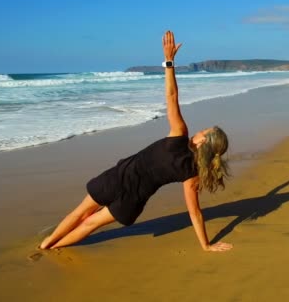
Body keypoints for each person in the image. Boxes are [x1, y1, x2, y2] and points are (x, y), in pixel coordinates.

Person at [39, 31, 233, 252]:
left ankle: (46, 244)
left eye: (202, 131)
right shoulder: (193, 173)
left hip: (118, 178)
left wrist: (169, 62)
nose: (197, 131)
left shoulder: (179, 135)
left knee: (80, 214)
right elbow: (194, 212)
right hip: (132, 199)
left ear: (201, 142)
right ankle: (51, 248)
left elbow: (171, 96)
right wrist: (205, 245)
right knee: (90, 224)